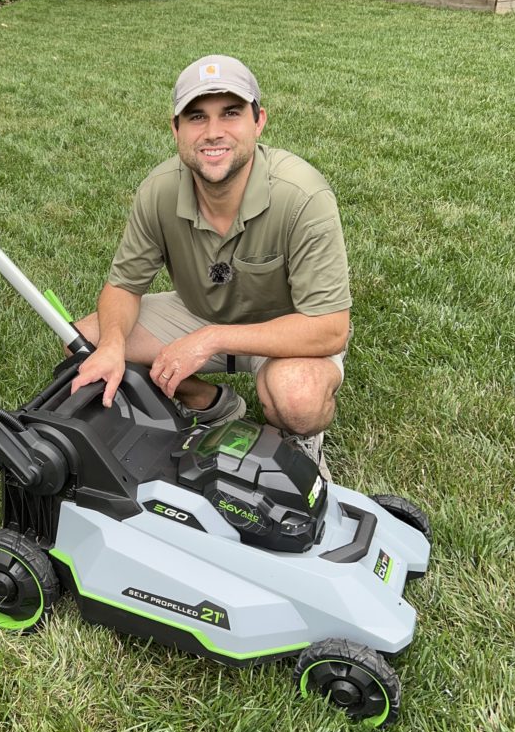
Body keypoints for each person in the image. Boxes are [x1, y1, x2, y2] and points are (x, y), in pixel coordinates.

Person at [70, 54, 352, 477]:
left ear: (259, 121)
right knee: (85, 340)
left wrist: (210, 339)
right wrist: (112, 345)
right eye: (197, 117)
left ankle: (299, 443)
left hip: (285, 330)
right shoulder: (159, 190)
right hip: (196, 314)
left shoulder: (302, 195)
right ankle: (212, 404)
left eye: (231, 113)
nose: (213, 133)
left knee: (297, 396)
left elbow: (329, 327)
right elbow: (124, 287)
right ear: (176, 129)